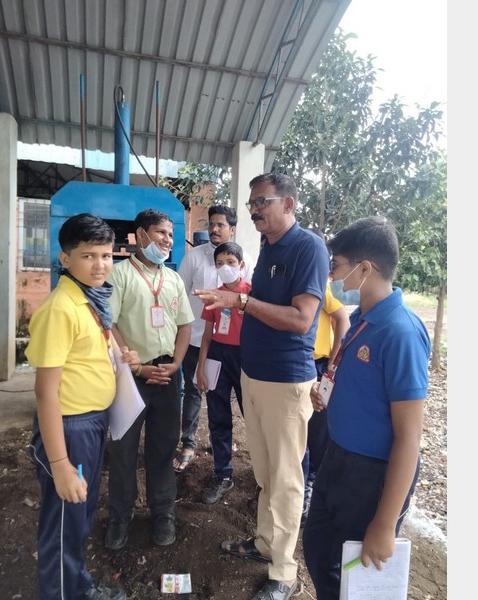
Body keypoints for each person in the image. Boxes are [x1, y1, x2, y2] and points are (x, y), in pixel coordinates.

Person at [193, 173, 329, 600]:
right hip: (255, 377)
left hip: (286, 383)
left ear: (288, 204)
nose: (253, 209)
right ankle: (266, 544)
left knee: (287, 478)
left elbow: (302, 319)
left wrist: (242, 302)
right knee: (267, 472)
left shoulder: (308, 247)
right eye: (251, 203)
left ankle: (284, 573)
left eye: (261, 202)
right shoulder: (268, 248)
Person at [302, 216, 431, 600]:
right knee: (319, 550)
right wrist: (327, 392)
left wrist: (384, 522)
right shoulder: (360, 320)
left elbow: (409, 438)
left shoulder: (400, 332)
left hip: (371, 476)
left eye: (336, 266)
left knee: (356, 577)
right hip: (337, 459)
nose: (331, 277)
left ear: (365, 269)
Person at [25, 213, 139, 600]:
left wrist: (121, 356)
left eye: (107, 255)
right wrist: (59, 466)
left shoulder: (89, 301)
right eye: (88, 255)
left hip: (91, 425)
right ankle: (62, 591)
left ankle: (77, 585)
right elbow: (45, 392)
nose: (100, 265)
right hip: (69, 429)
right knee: (63, 522)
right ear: (65, 258)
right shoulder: (62, 309)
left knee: (80, 514)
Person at [104, 208, 195, 550]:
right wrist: (137, 366)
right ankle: (119, 518)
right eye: (161, 233)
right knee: (124, 452)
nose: (167, 241)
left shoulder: (172, 279)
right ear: (141, 235)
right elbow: (109, 324)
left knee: (162, 449)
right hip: (131, 378)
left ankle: (163, 514)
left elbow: (185, 325)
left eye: (170, 235)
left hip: (168, 376)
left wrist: (177, 364)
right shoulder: (120, 274)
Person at [174, 206, 253, 473]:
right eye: (211, 224)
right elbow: (179, 293)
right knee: (195, 393)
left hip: (237, 348)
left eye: (220, 224)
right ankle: (188, 443)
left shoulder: (246, 259)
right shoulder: (194, 257)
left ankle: (256, 460)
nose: (214, 229)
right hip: (199, 338)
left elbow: (251, 302)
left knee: (246, 402)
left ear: (232, 228)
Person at [194, 241, 251, 504]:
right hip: (218, 354)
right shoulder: (213, 295)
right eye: (219, 264)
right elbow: (207, 334)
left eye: (230, 262)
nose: (224, 268)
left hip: (246, 358)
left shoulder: (251, 295)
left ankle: (262, 476)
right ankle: (223, 474)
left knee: (253, 416)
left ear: (241, 265)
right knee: (218, 415)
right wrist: (201, 367)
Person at [300, 281, 349, 525]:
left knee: (316, 429)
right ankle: (298, 481)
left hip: (317, 365)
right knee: (298, 429)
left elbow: (342, 320)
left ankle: (309, 484)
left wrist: (332, 363)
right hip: (294, 364)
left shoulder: (321, 284)